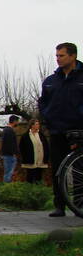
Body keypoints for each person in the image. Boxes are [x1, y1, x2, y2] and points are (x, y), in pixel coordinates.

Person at [38, 42, 83, 216]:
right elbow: (43, 102)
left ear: (73, 56)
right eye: (56, 56)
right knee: (57, 168)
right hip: (57, 130)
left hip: (79, 130)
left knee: (80, 169)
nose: (58, 59)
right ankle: (59, 206)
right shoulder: (50, 81)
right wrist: (47, 116)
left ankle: (79, 205)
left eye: (61, 55)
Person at [18, 119, 49, 184]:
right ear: (32, 125)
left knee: (39, 177)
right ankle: (29, 191)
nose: (38, 126)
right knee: (30, 177)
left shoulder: (41, 135)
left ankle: (38, 191)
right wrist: (25, 157)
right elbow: (22, 148)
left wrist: (46, 157)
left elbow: (46, 146)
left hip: (40, 160)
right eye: (36, 124)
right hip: (31, 160)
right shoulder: (25, 136)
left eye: (38, 124)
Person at [0, 114, 20, 183]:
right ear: (14, 121)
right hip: (9, 155)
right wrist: (13, 153)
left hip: (7, 154)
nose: (18, 123)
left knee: (8, 173)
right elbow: (9, 144)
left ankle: (6, 187)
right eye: (17, 121)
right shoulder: (9, 131)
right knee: (9, 173)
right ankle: (6, 188)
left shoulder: (6, 130)